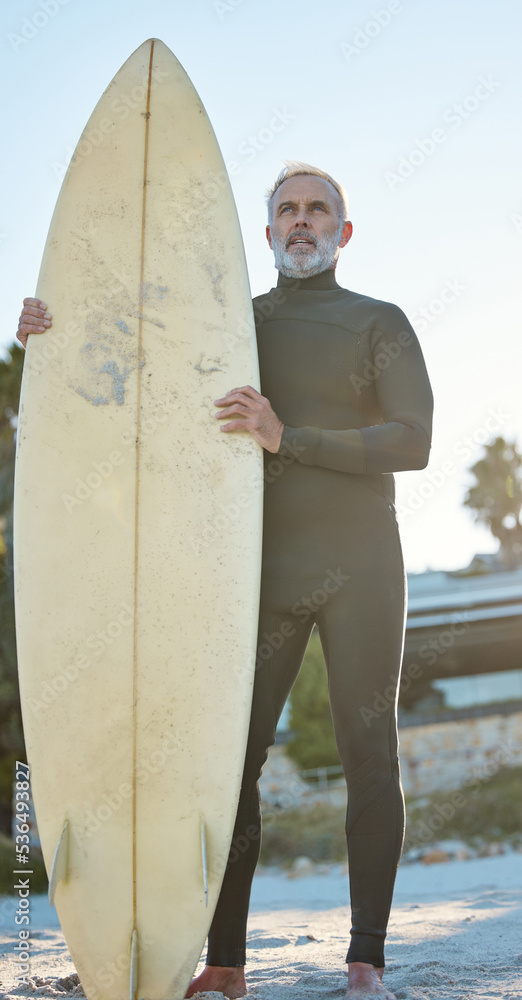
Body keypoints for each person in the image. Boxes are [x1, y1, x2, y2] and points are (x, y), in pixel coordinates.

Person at [17, 162, 433, 1000]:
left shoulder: (378, 323)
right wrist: (51, 338)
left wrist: (290, 437)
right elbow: (135, 387)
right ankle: (228, 962)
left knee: (367, 754)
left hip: (363, 569)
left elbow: (411, 440)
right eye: (288, 210)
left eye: (320, 210)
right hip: (258, 573)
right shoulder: (232, 330)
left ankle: (366, 961)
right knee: (228, 762)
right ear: (268, 232)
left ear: (343, 233)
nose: (303, 220)